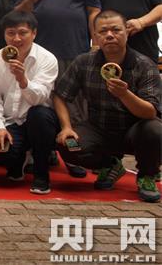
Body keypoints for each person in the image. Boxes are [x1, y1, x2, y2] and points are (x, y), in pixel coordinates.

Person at [53, 10, 162, 202]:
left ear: (127, 32)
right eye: (103, 31)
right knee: (68, 145)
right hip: (99, 128)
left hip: (134, 130)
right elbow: (60, 95)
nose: (110, 35)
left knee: (155, 130)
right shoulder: (84, 62)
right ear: (95, 36)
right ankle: (110, 165)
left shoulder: (144, 65)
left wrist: (125, 94)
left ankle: (147, 175)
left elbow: (150, 112)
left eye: (116, 30)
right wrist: (66, 127)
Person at [0, 10, 59, 195]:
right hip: (12, 121)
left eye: (22, 33)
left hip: (39, 120)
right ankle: (17, 161)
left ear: (34, 33)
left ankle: (41, 174)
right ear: (4, 35)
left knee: (39, 114)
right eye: (11, 33)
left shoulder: (47, 59)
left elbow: (39, 98)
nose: (16, 38)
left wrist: (23, 80)